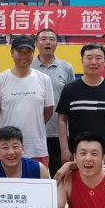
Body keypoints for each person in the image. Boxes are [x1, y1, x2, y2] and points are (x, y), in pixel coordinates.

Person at [57, 44, 105, 166]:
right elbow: (62, 119)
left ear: (104, 61)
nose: (93, 62)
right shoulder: (70, 89)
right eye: (89, 58)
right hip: (76, 153)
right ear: (82, 61)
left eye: (98, 58)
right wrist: (64, 149)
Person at [0, 35, 54, 165]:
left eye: (28, 52)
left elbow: (48, 111)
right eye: (20, 51)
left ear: (33, 53)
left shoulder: (44, 80)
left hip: (37, 149)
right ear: (11, 53)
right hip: (8, 151)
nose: (24, 56)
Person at [31, 28, 75, 174]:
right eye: (43, 39)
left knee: (60, 175)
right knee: (35, 174)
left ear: (57, 43)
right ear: (36, 43)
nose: (47, 43)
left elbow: (71, 100)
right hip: (34, 132)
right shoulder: (29, 67)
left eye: (51, 39)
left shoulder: (67, 68)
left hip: (59, 134)